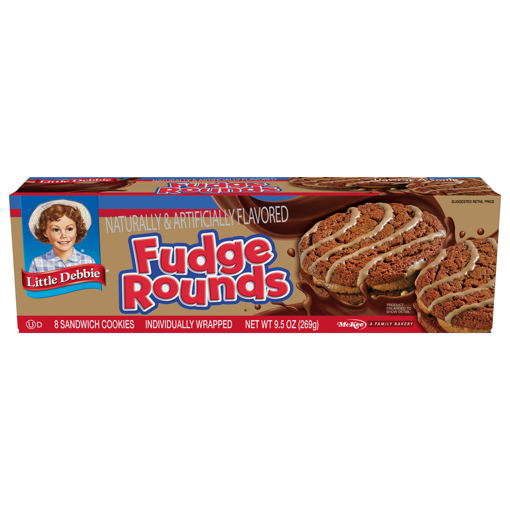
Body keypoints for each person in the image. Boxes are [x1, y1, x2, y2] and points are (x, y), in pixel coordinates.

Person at [28, 200, 96, 273]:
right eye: (56, 230)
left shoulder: (88, 261)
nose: (63, 235)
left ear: (77, 230)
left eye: (69, 229)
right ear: (45, 233)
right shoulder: (37, 263)